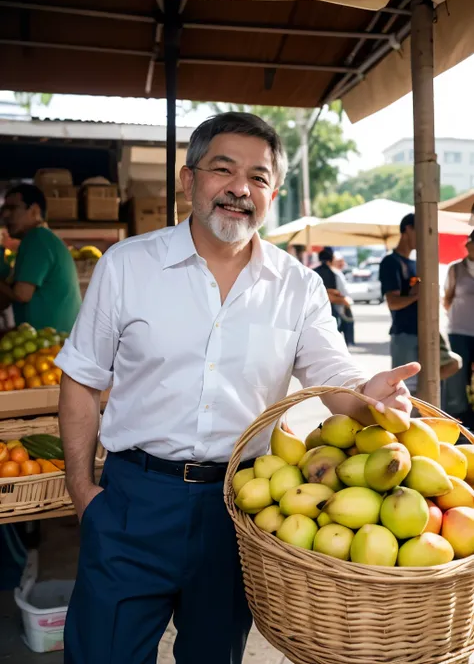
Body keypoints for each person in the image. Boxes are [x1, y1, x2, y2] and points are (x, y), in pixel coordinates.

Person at [56, 112, 419, 664]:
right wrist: (82, 492)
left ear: (272, 191)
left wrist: (372, 395)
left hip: (240, 505)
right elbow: (81, 379)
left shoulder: (297, 286)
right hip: (133, 501)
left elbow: (333, 381)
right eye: (222, 169)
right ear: (188, 180)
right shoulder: (128, 266)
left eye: (258, 176)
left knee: (214, 655)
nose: (239, 189)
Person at [380, 213, 460, 395]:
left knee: (452, 363)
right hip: (405, 334)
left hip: (426, 332)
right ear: (408, 229)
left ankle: (422, 408)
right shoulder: (390, 262)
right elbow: (393, 303)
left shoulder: (417, 263)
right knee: (406, 390)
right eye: (421, 232)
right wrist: (418, 295)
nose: (424, 238)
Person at [0, 183, 81, 333]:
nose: (5, 215)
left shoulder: (37, 239)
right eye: (4, 209)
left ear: (34, 211)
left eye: (12, 208)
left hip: (50, 346)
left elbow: (21, 294)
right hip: (51, 341)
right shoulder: (40, 240)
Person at [443, 230, 474, 427]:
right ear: (468, 246)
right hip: (460, 331)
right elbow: (447, 299)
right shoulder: (455, 269)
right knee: (457, 378)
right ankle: (459, 419)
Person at [314, 247, 353, 343]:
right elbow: (331, 294)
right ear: (331, 259)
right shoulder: (332, 273)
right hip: (331, 310)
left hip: (316, 312)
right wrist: (342, 299)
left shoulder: (313, 272)